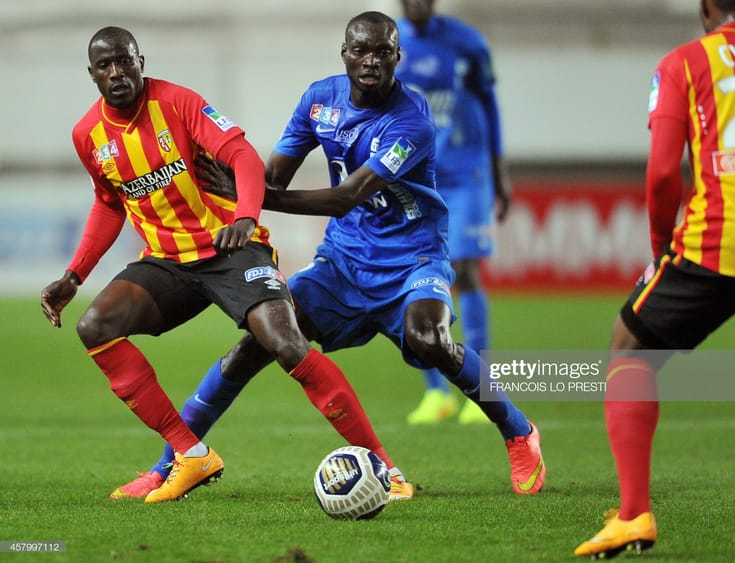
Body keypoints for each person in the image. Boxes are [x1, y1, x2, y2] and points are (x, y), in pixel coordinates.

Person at [110, 11, 545, 501]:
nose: (372, 61)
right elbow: (272, 176)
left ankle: (519, 432)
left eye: (383, 52)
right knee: (259, 342)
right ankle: (171, 462)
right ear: (344, 53)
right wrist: (233, 187)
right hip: (343, 263)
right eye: (361, 50)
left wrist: (257, 200)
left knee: (430, 340)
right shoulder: (320, 100)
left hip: (413, 261)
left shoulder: (412, 120)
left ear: (398, 57)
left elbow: (346, 198)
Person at [40, 26, 406, 504]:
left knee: (286, 343)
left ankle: (386, 468)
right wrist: (75, 274)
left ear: (140, 62)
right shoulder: (87, 135)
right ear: (92, 74)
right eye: (105, 66)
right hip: (167, 262)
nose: (117, 73)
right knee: (96, 325)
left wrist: (245, 218)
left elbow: (243, 159)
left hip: (232, 248)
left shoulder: (179, 103)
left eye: (125, 62)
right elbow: (110, 204)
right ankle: (190, 453)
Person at [574, 0, 735, 557]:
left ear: (705, 7)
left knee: (629, 346)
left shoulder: (684, 62)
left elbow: (660, 175)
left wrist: (659, 250)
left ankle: (633, 515)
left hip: (716, 240)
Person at [395, 0, 510, 426]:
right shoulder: (391, 46)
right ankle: (436, 395)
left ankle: (483, 386)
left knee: (464, 269)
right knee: (414, 272)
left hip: (466, 171)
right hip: (418, 175)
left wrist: (500, 170)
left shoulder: (468, 43)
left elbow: (490, 104)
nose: (419, 4)